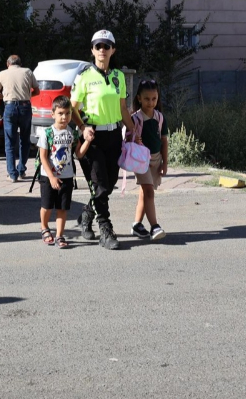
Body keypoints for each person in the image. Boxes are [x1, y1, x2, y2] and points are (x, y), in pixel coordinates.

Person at [70, 30, 137, 250]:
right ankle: (106, 230)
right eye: (98, 46)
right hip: (93, 138)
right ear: (92, 50)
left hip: (113, 137)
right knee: (99, 185)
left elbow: (122, 109)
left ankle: (86, 216)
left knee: (108, 184)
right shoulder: (84, 76)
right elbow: (72, 109)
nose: (102, 50)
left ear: (113, 50)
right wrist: (82, 128)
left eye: (106, 46)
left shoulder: (118, 76)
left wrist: (134, 131)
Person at [37, 96, 92, 249]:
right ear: (52, 114)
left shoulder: (72, 134)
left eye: (68, 113)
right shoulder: (47, 133)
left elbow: (79, 154)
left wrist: (87, 141)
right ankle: (44, 227)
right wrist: (52, 177)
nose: (64, 117)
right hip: (48, 176)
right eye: (60, 113)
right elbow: (43, 156)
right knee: (47, 206)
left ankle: (60, 235)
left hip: (66, 176)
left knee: (62, 208)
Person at [129, 79, 169, 241]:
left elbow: (164, 141)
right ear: (139, 98)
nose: (151, 102)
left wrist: (165, 163)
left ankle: (137, 225)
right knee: (149, 192)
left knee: (144, 193)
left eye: (154, 99)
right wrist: (134, 140)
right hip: (140, 161)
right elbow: (126, 141)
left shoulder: (160, 118)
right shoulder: (135, 119)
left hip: (156, 160)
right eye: (146, 99)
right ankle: (154, 226)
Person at [0, 54, 40, 182]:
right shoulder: (28, 71)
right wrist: (28, 95)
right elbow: (37, 91)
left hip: (10, 107)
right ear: (20, 63)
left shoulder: (3, 73)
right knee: (25, 140)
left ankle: (12, 174)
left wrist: (6, 97)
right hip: (25, 107)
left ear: (8, 64)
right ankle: (21, 170)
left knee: (10, 141)